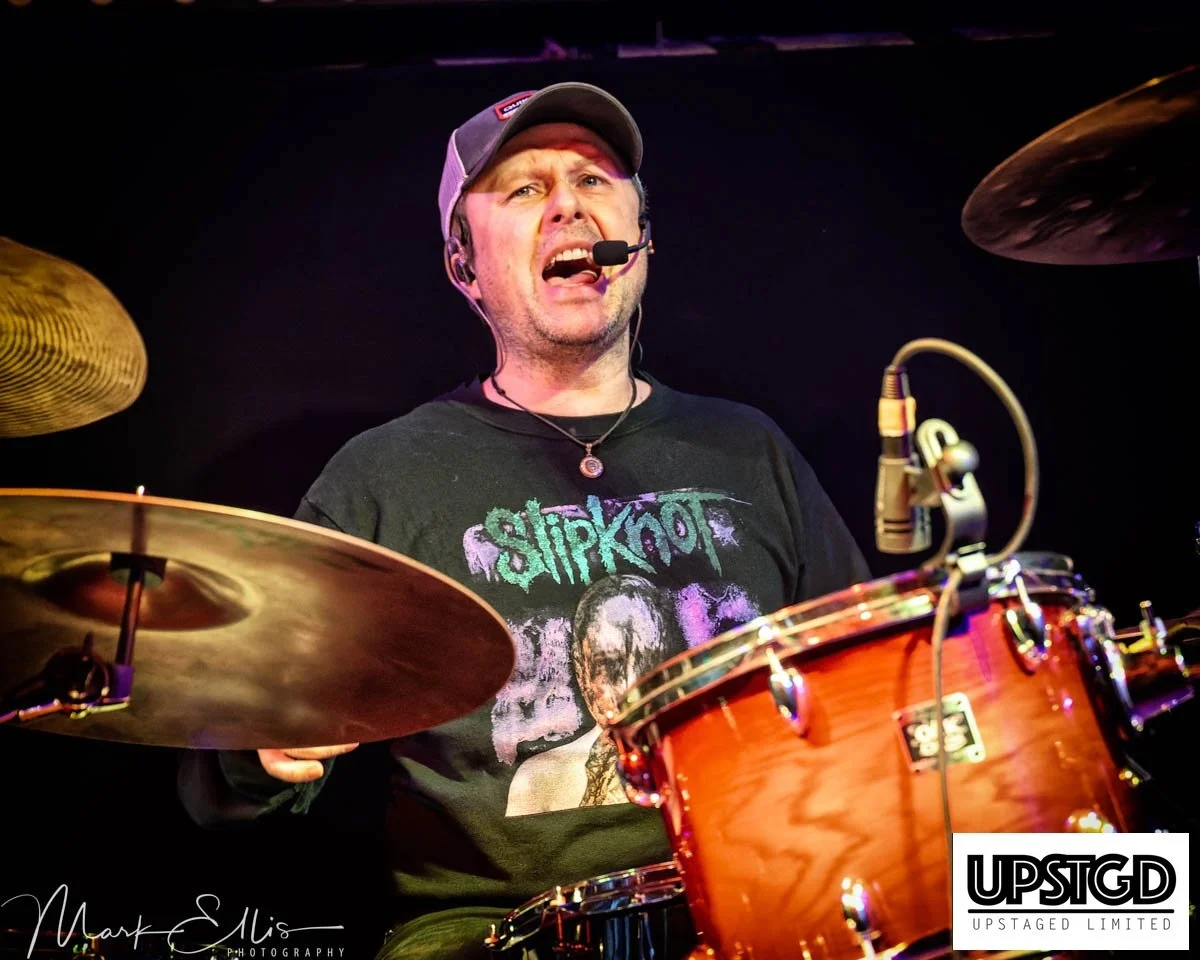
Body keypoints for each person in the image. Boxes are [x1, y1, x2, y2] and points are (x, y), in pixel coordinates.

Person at [178, 81, 871, 959]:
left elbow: (871, 698)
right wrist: (264, 749)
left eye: (593, 180)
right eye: (526, 188)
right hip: (492, 934)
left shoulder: (750, 449)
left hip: (760, 907)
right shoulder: (386, 476)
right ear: (462, 264)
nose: (569, 206)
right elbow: (222, 789)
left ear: (643, 238)